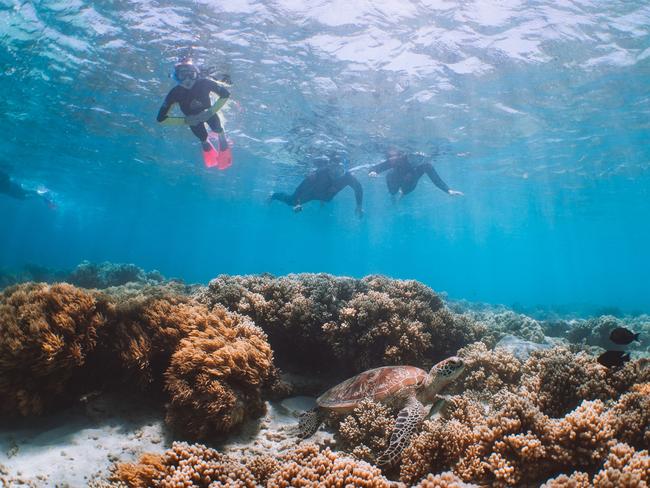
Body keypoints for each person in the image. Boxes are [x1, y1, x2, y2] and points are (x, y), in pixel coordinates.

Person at [156, 58, 230, 157]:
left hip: (208, 114)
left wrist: (211, 111)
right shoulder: (174, 93)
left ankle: (221, 136)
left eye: (191, 75)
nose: (188, 79)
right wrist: (185, 121)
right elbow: (160, 119)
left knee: (217, 128)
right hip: (193, 120)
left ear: (196, 75)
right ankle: (205, 142)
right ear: (177, 77)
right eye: (183, 75)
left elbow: (225, 94)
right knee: (202, 137)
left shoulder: (204, 83)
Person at [271, 162, 363, 216]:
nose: (334, 174)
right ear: (329, 168)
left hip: (325, 197)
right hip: (313, 194)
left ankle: (322, 202)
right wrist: (298, 203)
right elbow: (302, 188)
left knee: (327, 199)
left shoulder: (348, 177)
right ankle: (273, 195)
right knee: (291, 202)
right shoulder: (319, 173)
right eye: (332, 171)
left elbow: (358, 188)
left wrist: (359, 205)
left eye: (338, 172)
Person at [368, 150, 463, 199]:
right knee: (393, 192)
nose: (416, 160)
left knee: (406, 191)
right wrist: (374, 171)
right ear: (408, 155)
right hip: (393, 178)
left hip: (411, 181)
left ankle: (401, 194)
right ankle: (394, 197)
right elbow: (382, 166)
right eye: (413, 157)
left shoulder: (426, 165)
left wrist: (448, 191)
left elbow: (436, 179)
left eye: (420, 158)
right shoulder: (399, 159)